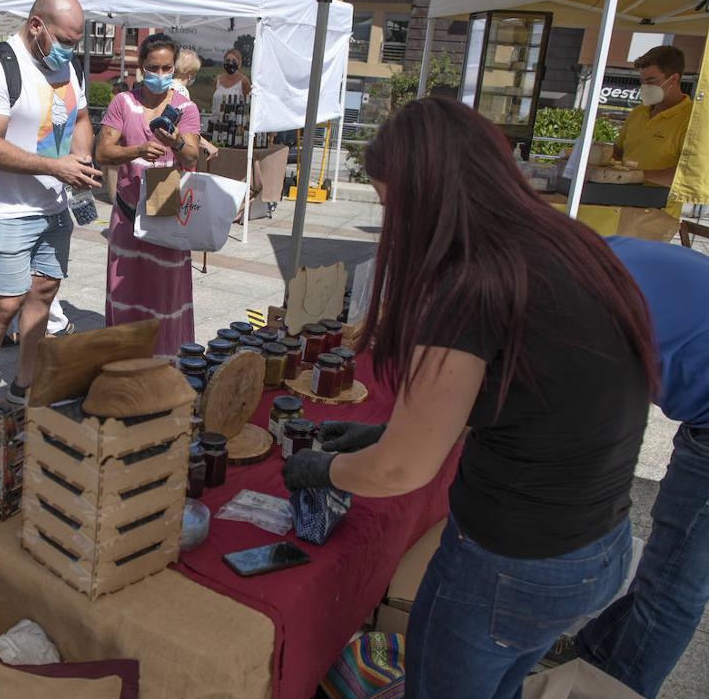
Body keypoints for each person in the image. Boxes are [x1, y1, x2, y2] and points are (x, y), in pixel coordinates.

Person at [281, 97, 657, 699]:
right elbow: (536, 401)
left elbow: (401, 471)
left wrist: (322, 468)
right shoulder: (565, 243)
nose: (390, 224)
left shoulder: (472, 283)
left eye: (388, 205)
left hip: (513, 563)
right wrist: (384, 433)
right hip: (595, 546)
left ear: (426, 196)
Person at [572, 237, 709, 698]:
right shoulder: (585, 254)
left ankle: (612, 689)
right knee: (666, 572)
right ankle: (592, 663)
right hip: (702, 410)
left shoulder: (575, 296)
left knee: (672, 589)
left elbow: (581, 420)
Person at [0, 0, 99, 403]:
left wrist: (81, 153)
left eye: (77, 42)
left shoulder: (67, 68)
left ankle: (25, 385)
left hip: (55, 205)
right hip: (6, 208)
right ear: (36, 26)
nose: (71, 51)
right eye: (66, 41)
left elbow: (82, 117)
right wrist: (56, 166)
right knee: (6, 303)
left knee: (43, 293)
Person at [96, 33, 201, 356]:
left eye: (166, 67)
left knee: (165, 295)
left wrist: (176, 143)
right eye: (152, 67)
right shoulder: (122, 103)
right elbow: (103, 152)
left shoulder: (185, 108)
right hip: (127, 215)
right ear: (141, 67)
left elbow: (192, 156)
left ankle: (164, 364)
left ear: (174, 67)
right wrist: (137, 150)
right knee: (124, 290)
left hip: (167, 211)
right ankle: (123, 364)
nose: (159, 74)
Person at [613, 45, 691, 220]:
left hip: (658, 215)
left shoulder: (691, 120)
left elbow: (686, 174)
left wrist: (636, 176)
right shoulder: (639, 112)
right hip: (617, 206)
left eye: (651, 80)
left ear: (674, 79)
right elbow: (617, 151)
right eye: (642, 80)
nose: (645, 86)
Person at [173, 47, 217, 162]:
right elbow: (185, 128)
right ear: (189, 73)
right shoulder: (182, 92)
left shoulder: (168, 87)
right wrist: (207, 145)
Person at [211, 47, 250, 118]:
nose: (230, 63)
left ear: (239, 63)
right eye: (228, 60)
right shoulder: (217, 80)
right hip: (215, 124)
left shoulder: (244, 81)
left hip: (234, 126)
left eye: (234, 61)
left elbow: (247, 105)